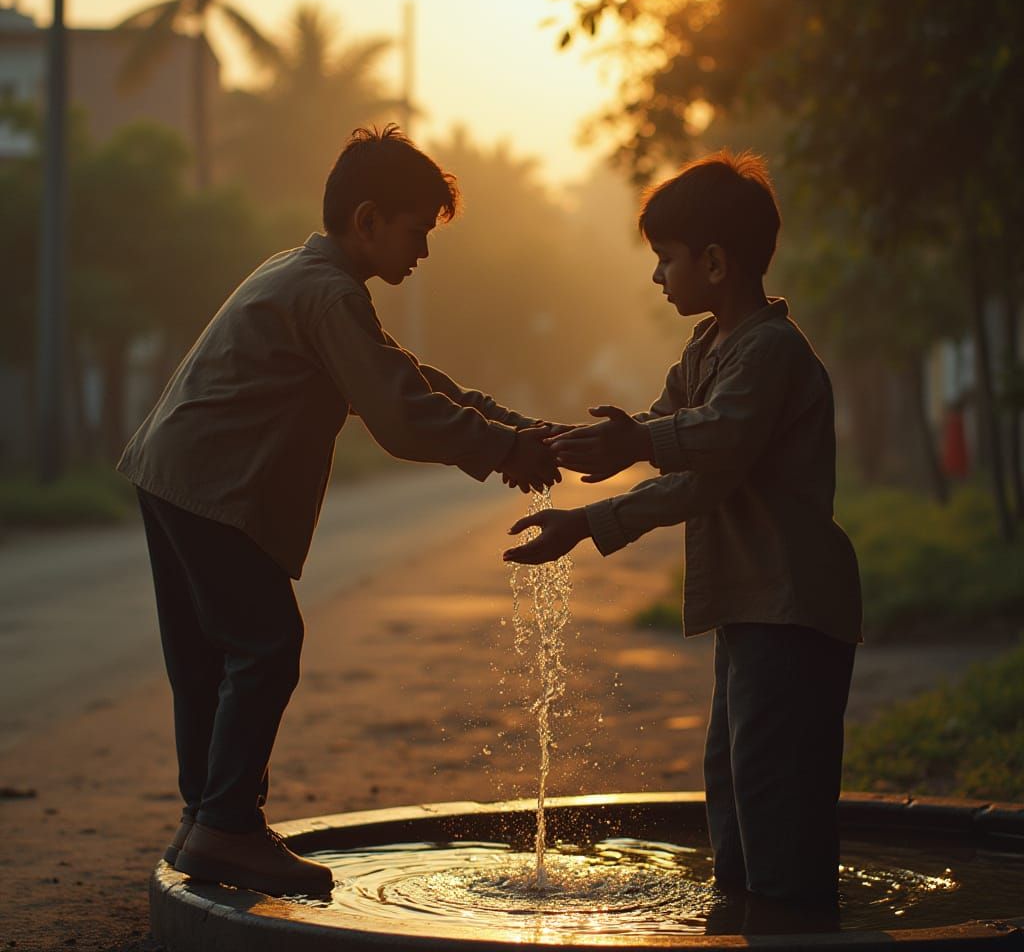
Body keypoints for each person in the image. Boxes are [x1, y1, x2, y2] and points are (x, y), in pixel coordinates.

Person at [118, 124, 560, 897]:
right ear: (368, 221)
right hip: (211, 485)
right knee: (265, 645)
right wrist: (508, 450)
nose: (421, 253)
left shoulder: (307, 273)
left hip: (174, 475)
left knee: (210, 659)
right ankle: (225, 825)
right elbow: (401, 418)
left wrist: (510, 429)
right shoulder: (326, 291)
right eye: (416, 232)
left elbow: (398, 376)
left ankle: (208, 822)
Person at [503, 150, 862, 910]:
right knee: (732, 778)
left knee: (776, 786)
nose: (658, 276)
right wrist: (556, 448)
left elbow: (711, 450)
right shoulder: (707, 350)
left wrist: (605, 493)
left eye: (665, 260)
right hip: (751, 606)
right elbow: (656, 430)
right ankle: (746, 913)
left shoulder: (769, 352)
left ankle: (792, 921)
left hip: (793, 609)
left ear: (715, 262)